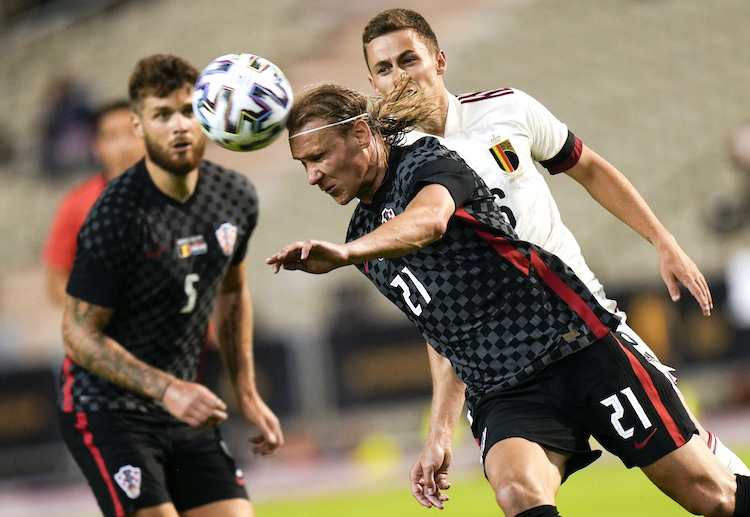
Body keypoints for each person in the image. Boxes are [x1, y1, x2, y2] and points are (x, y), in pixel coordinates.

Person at [267, 81, 750, 517]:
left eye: (318, 157)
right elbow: (442, 332)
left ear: (361, 136)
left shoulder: (426, 161)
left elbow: (431, 220)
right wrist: (437, 435)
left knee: (713, 496)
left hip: (574, 345)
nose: (312, 176)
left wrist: (345, 254)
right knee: (518, 491)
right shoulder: (366, 239)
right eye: (303, 165)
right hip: (502, 389)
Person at [360, 7, 750, 487]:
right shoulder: (393, 181)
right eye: (383, 69)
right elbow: (439, 312)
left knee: (700, 471)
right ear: (372, 84)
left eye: (408, 59)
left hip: (582, 320)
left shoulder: (506, 109)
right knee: (519, 489)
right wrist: (441, 426)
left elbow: (588, 167)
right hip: (504, 359)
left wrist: (662, 240)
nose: (399, 76)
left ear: (439, 60)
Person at [59, 54, 283, 517]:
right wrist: (167, 389)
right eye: (162, 115)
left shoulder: (235, 195)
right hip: (106, 409)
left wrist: (246, 390)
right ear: (140, 127)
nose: (179, 126)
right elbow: (78, 334)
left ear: (206, 113)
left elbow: (232, 293)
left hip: (183, 404)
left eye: (187, 110)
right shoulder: (114, 214)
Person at [43, 99, 145, 307]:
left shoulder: (184, 193)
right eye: (113, 136)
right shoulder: (76, 204)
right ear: (97, 146)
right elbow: (56, 282)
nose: (125, 145)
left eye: (132, 133)